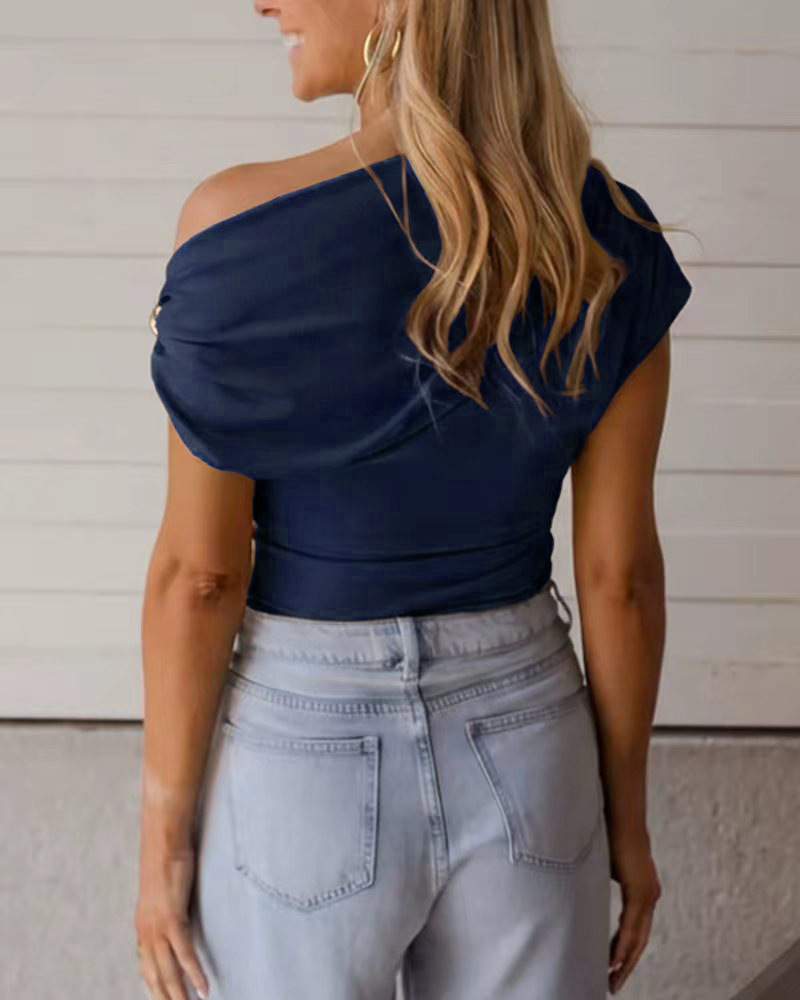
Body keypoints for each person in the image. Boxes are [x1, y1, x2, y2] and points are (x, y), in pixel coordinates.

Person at [135, 2, 693, 999]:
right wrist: (627, 823)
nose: (263, 1)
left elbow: (200, 576)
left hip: (305, 752)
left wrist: (162, 842)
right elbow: (619, 580)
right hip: (528, 741)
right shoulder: (604, 240)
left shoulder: (235, 230)